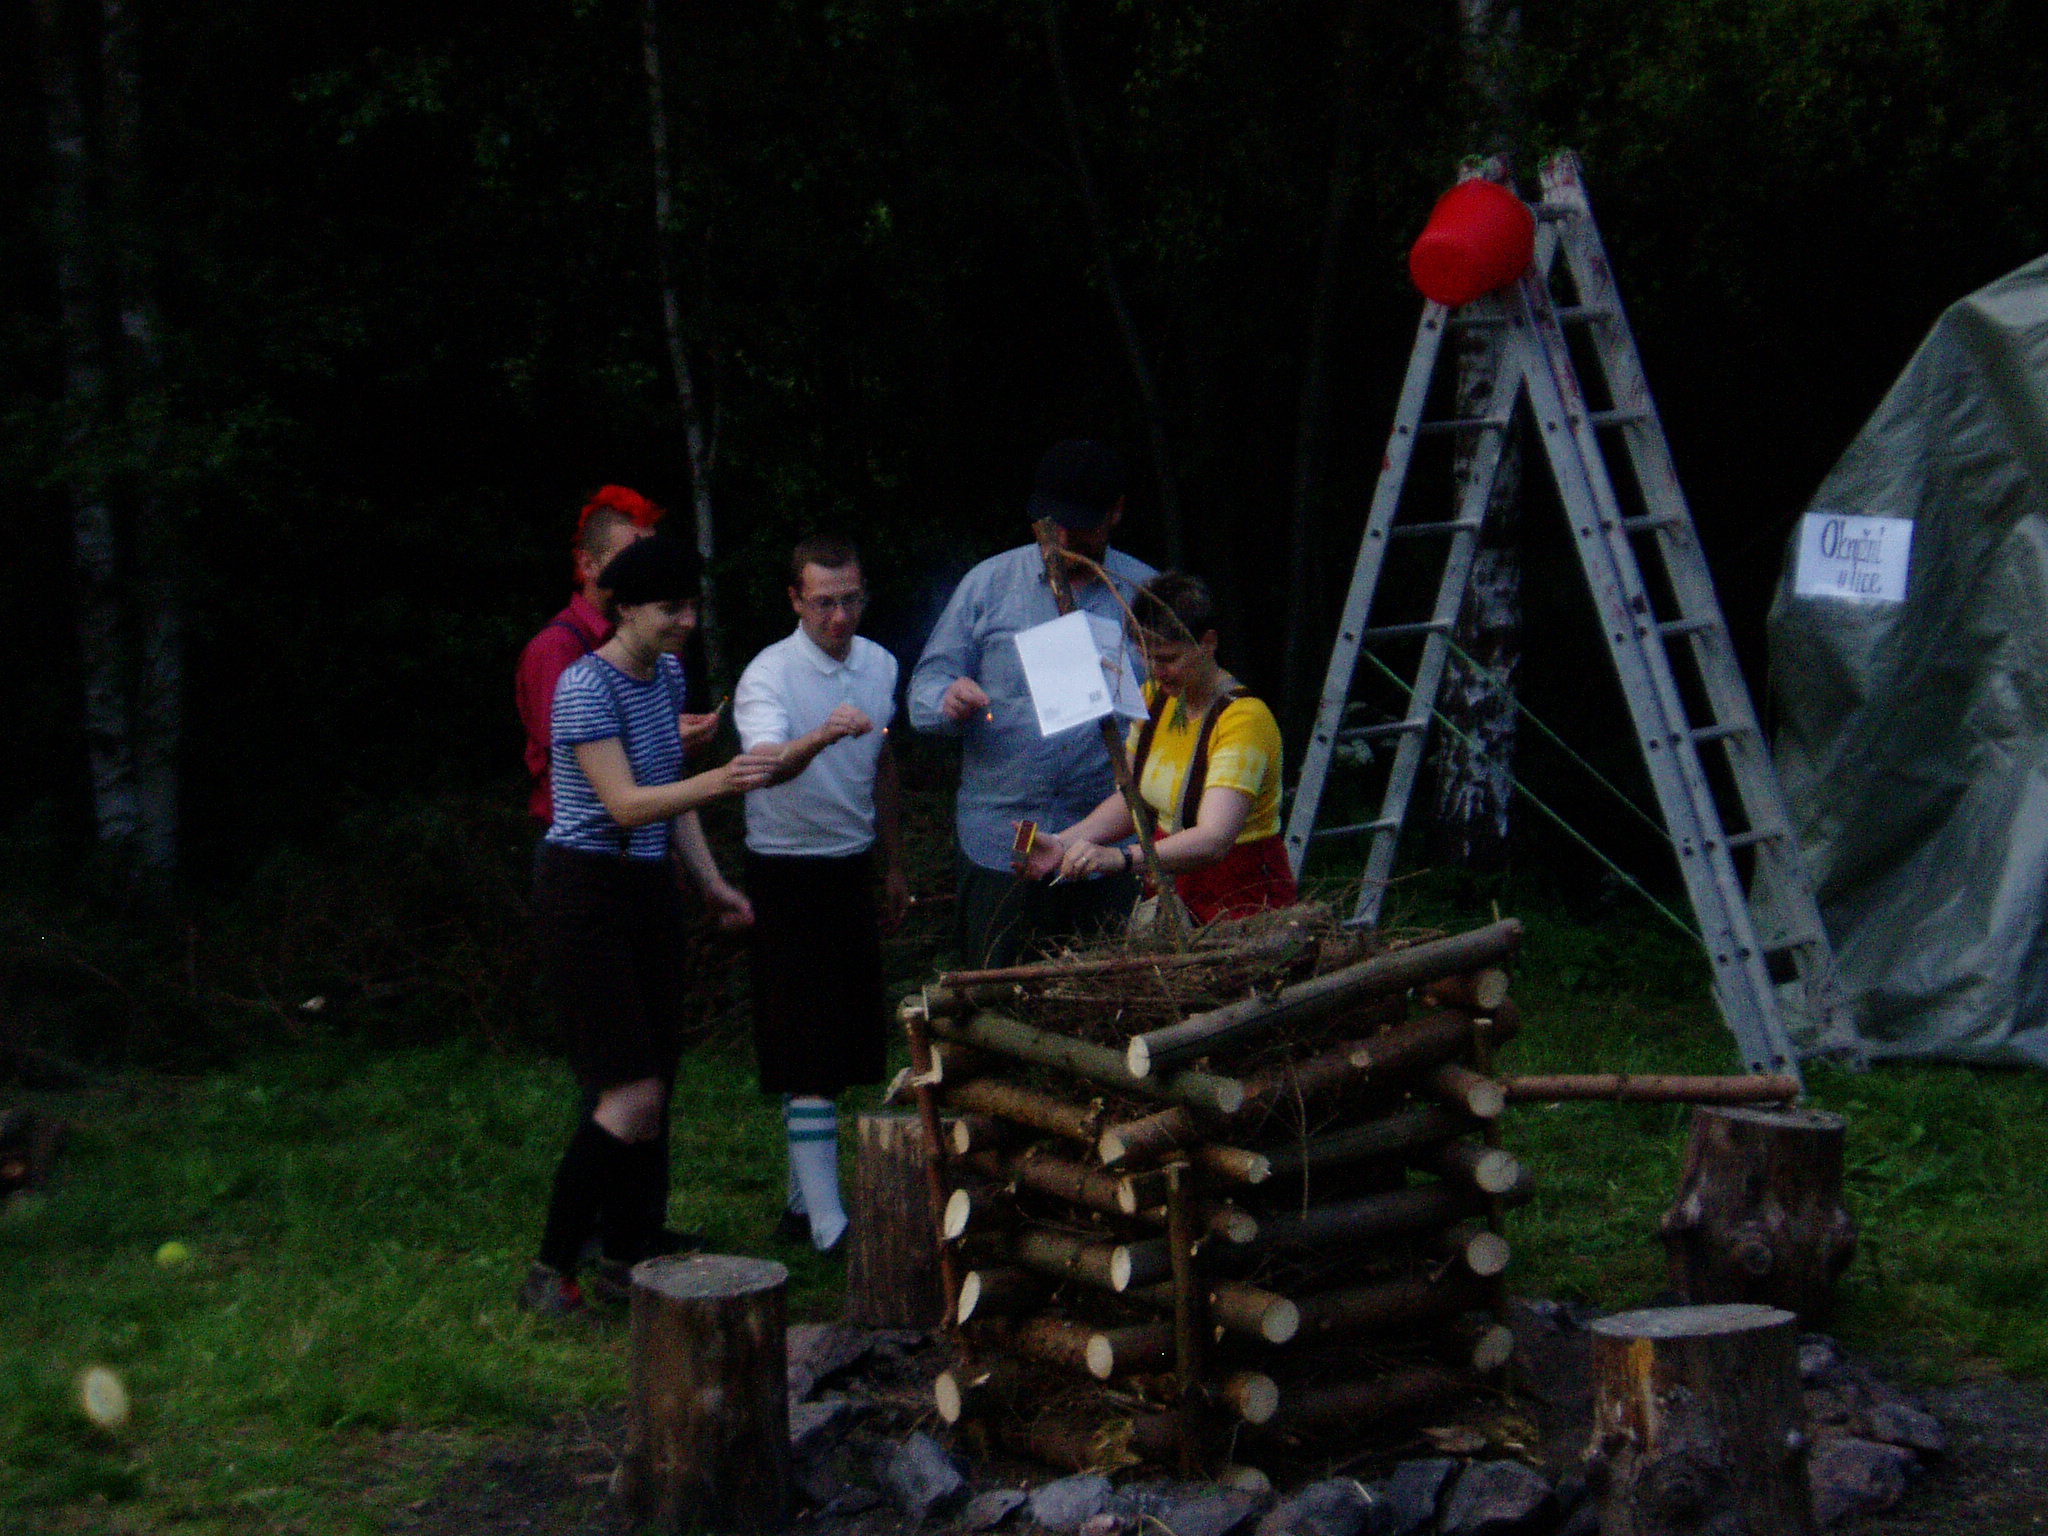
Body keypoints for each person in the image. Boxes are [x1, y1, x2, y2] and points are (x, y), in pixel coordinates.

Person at [521, 536, 775, 1316]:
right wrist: (722, 779)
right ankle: (549, 1270)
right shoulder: (583, 686)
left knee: (656, 1088)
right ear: (626, 609)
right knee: (627, 1094)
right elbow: (627, 804)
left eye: (693, 606)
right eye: (672, 609)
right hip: (585, 892)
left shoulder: (664, 675)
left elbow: (669, 795)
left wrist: (712, 885)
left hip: (648, 888)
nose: (687, 621)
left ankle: (626, 1259)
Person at [909, 440, 1156, 966]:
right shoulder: (988, 586)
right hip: (1002, 843)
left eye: (1080, 525)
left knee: (1113, 988)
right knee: (998, 991)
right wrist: (946, 699)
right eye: (1053, 522)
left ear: (1115, 513)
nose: (1063, 539)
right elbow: (923, 691)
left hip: (1107, 846)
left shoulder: (1144, 595)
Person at [733, 536, 908, 1252]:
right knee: (805, 1042)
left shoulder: (881, 664)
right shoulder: (768, 674)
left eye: (852, 600)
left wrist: (894, 864)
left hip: (850, 862)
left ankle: (803, 1204)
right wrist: (823, 734)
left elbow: (884, 761)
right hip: (785, 867)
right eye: (825, 602)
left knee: (840, 1038)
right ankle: (830, 1225)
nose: (840, 617)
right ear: (796, 600)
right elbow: (763, 766)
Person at [1017, 572, 1298, 926]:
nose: (1156, 670)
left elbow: (1214, 839)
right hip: (1176, 893)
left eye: (1168, 658)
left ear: (1208, 642)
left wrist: (1121, 858)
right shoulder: (1155, 699)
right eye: (1146, 656)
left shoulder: (1243, 719)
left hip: (1242, 901)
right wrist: (1064, 842)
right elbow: (1133, 799)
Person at [515, 485, 664, 828]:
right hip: (583, 840)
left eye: (651, 560)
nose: (647, 574)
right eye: (631, 560)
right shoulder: (555, 649)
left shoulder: (648, 640)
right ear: (587, 564)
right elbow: (573, 761)